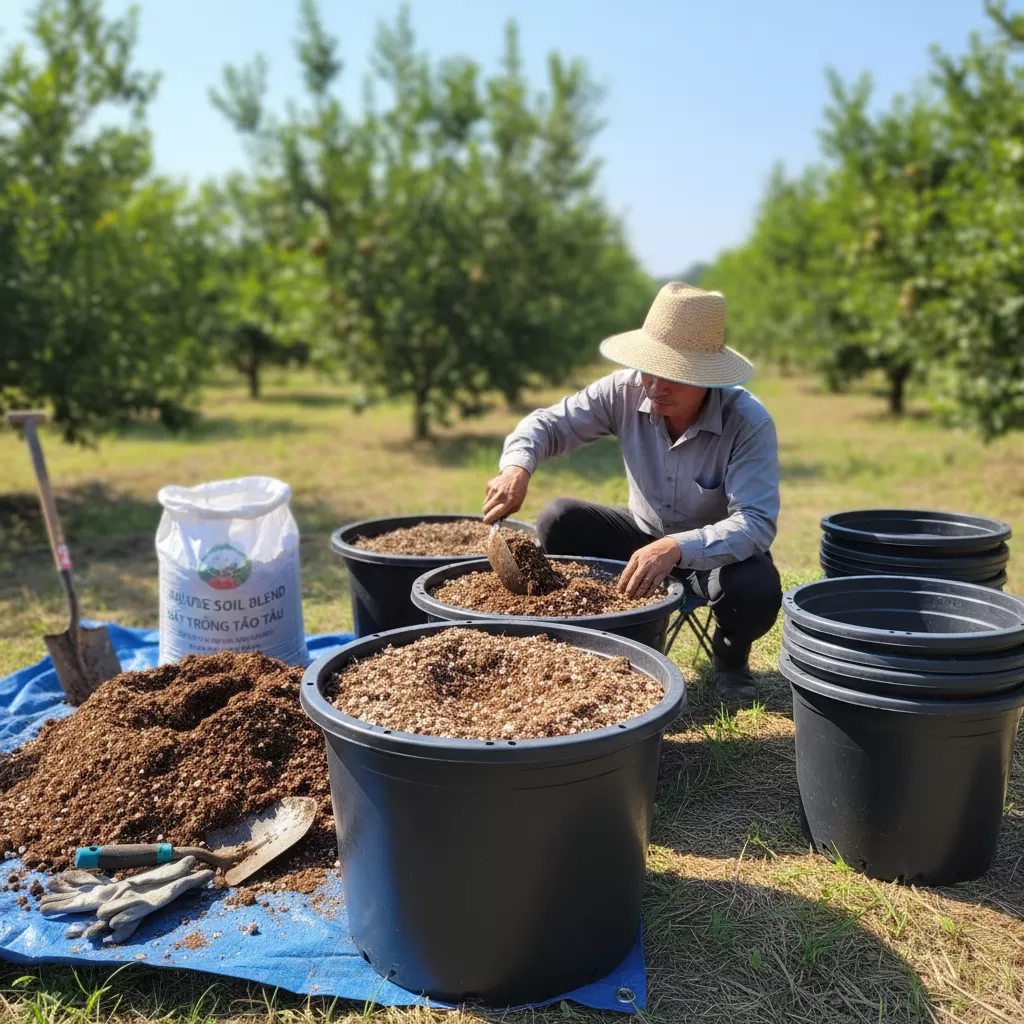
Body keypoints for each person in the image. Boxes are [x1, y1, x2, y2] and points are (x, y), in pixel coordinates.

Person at [483, 282, 782, 706]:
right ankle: (588, 636)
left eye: (672, 375)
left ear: (705, 378)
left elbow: (755, 523)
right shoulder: (625, 391)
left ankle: (731, 659)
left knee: (756, 586)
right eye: (649, 369)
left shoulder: (747, 422)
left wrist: (676, 548)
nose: (655, 386)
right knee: (558, 518)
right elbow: (548, 424)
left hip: (709, 555)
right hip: (640, 536)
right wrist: (517, 466)